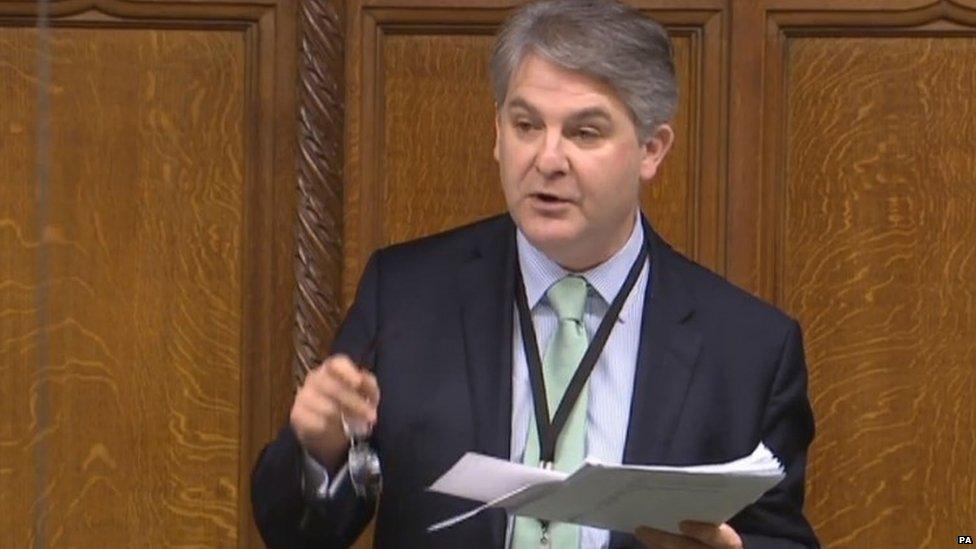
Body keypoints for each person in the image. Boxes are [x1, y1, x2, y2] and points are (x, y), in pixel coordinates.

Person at [251, 0, 819, 547]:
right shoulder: (405, 295)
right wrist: (318, 452)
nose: (547, 159)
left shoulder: (749, 349)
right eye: (526, 125)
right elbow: (296, 534)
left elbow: (779, 536)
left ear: (651, 149)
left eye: (585, 132)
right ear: (497, 134)